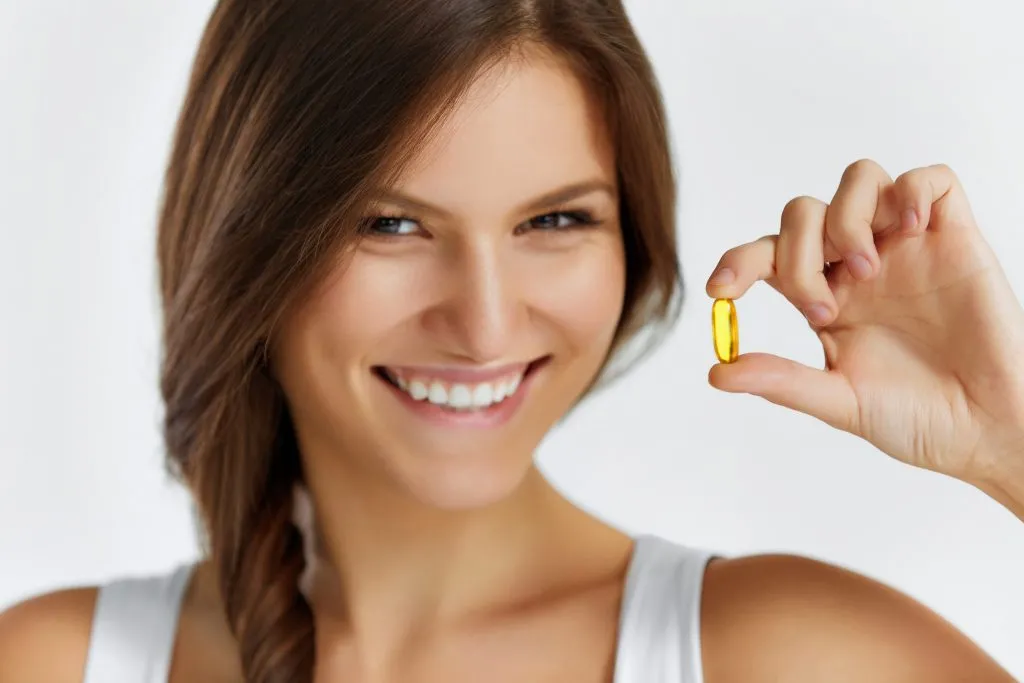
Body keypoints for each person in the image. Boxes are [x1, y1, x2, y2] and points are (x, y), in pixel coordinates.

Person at [2, 1, 1022, 681]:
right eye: (390, 224)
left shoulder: (793, 654)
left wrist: (1007, 442)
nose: (485, 322)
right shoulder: (54, 660)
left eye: (554, 221)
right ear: (246, 242)